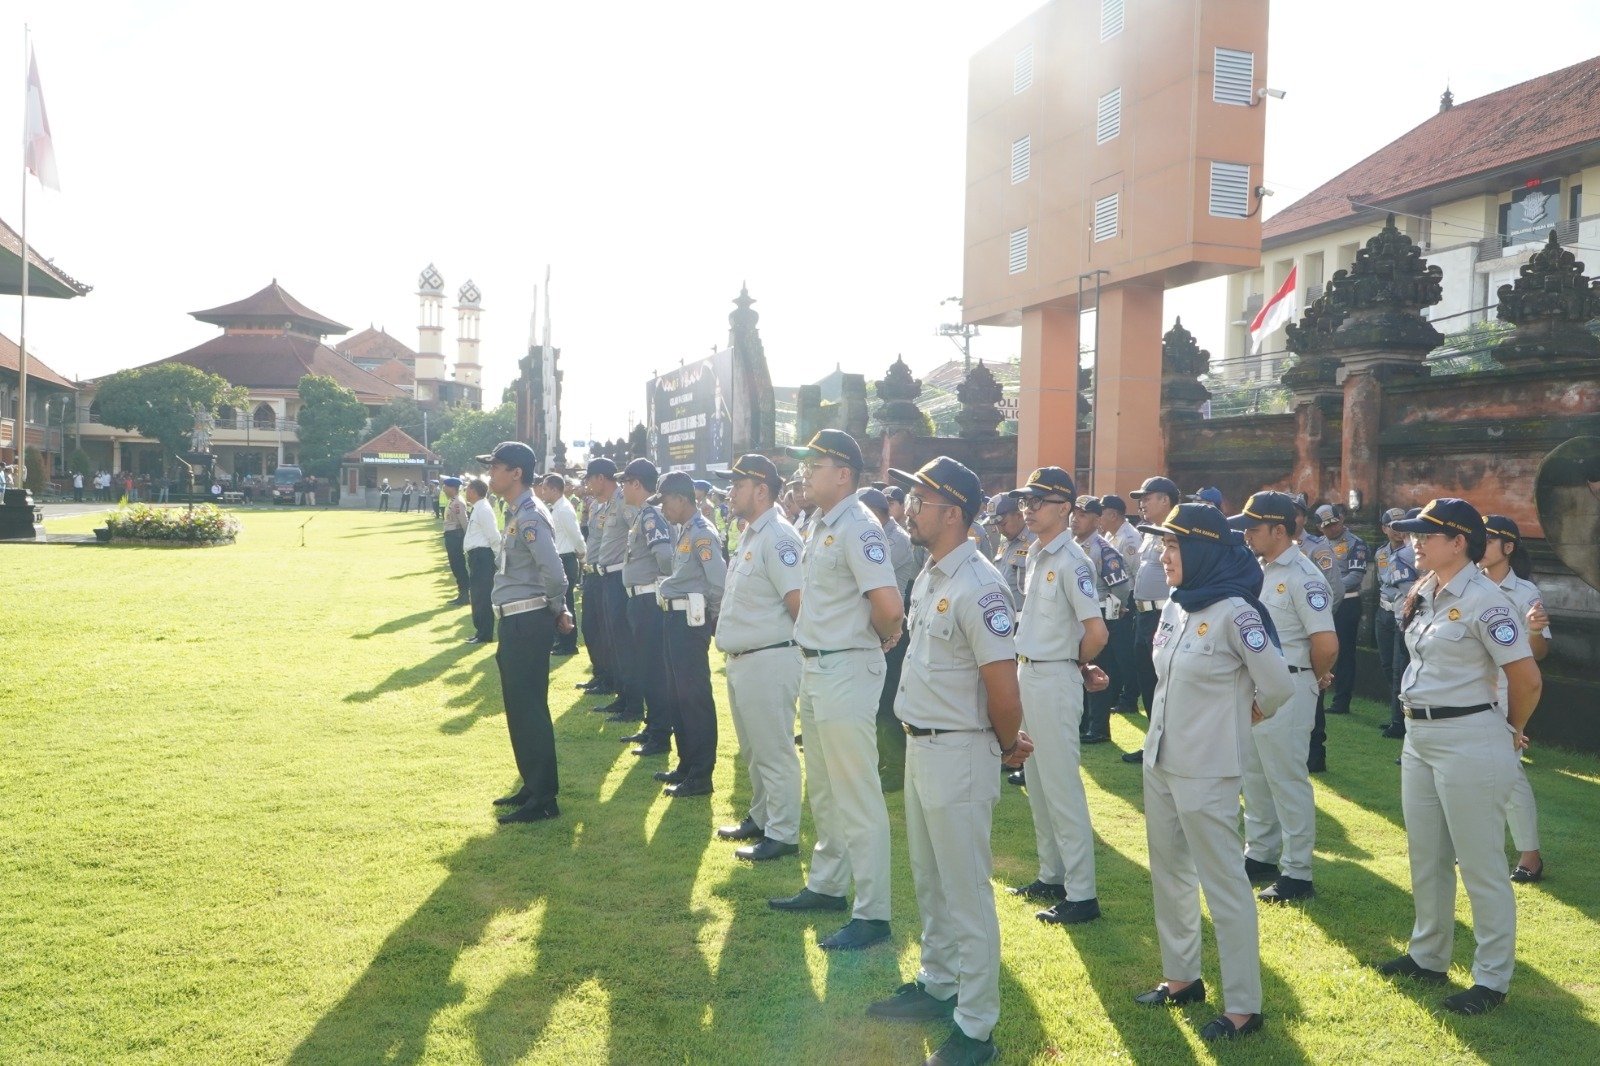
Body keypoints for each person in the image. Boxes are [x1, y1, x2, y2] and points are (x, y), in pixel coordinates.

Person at [866, 456, 1032, 1066]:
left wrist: (1009, 743)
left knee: (965, 891)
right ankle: (938, 983)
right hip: (922, 742)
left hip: (961, 747)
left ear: (954, 512)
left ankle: (977, 1024)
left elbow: (1002, 684)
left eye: (922, 499)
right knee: (930, 879)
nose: (910, 507)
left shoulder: (980, 584)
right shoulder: (933, 573)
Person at [1132, 502, 1293, 1043]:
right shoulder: (1178, 606)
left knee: (1224, 884)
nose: (1163, 554)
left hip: (1208, 770)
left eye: (1173, 546)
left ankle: (1244, 1006)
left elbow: (1277, 686)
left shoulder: (1236, 612)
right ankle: (1182, 978)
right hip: (1161, 759)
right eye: (1163, 544)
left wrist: (1243, 715)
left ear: (1200, 549)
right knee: (1170, 874)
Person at [1378, 499, 1542, 1015]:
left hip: (1470, 735)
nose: (1416, 542)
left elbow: (1526, 677)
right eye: (1414, 534)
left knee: (1480, 863)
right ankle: (1428, 954)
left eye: (1427, 535)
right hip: (1419, 735)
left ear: (1460, 542)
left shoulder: (1487, 602)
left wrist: (1513, 728)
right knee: (1426, 855)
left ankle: (1491, 979)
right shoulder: (1425, 590)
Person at [769, 429, 905, 952]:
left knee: (856, 794)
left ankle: (873, 913)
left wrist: (877, 637)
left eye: (815, 464)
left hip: (847, 668)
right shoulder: (822, 523)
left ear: (844, 472)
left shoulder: (858, 526)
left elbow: (889, 605)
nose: (805, 472)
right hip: (818, 665)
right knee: (824, 789)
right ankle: (827, 884)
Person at [1004, 467, 1109, 925]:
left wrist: (1076, 663)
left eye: (1038, 501)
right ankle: (1052, 874)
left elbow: (1096, 631)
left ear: (1065, 508)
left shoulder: (1072, 561)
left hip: (1053, 677)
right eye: (1026, 500)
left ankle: (1082, 894)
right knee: (1037, 783)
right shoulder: (1040, 554)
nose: (1028, 508)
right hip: (1030, 674)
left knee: (1061, 786)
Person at [1228, 492, 1337, 904]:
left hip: (1290, 684)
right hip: (1259, 683)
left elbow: (1325, 641)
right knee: (1254, 773)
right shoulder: (1262, 568)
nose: (1247, 535)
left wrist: (1315, 675)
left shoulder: (1303, 575)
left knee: (1287, 778)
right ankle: (1261, 852)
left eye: (1254, 528)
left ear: (1279, 529)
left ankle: (1297, 871)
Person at [475, 441, 574, 825]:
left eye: (496, 466)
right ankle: (533, 785)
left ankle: (544, 797)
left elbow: (554, 571)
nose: (490, 473)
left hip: (526, 619)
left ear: (516, 473)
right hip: (516, 619)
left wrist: (559, 607)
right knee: (519, 707)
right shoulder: (518, 512)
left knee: (529, 707)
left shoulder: (530, 516)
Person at [1481, 514, 1551, 884]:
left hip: (1508, 690)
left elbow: (1537, 653)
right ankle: (1479, 848)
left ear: (1508, 548)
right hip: (1470, 687)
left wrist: (1536, 630)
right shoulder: (1466, 583)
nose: (1481, 546)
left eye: (1489, 540)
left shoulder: (1525, 593)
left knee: (1509, 772)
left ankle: (1530, 855)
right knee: (1472, 771)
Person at [653, 471, 727, 796]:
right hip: (675, 618)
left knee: (693, 696)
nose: (663, 508)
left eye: (666, 501)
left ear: (682, 499)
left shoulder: (701, 533)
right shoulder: (684, 531)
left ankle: (700, 774)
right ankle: (686, 764)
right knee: (676, 693)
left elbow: (719, 583)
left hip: (690, 621)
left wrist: (711, 618)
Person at [615, 459, 676, 747]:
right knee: (646, 665)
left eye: (624, 482)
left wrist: (663, 586)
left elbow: (665, 557)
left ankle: (660, 732)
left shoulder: (651, 515)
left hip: (649, 599)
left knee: (653, 668)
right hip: (640, 599)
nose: (622, 488)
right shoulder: (644, 514)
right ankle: (653, 726)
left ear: (636, 483)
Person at [1121, 476, 1179, 764]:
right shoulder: (1148, 533)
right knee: (1147, 682)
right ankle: (1153, 743)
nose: (1141, 503)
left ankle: (1171, 745)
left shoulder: (1177, 531)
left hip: (1163, 615)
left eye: (1147, 497)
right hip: (1143, 615)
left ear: (1166, 500)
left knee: (1163, 682)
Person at [861, 487, 916, 791]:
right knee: (874, 699)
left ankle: (895, 767)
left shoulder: (896, 540)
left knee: (888, 701)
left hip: (893, 626)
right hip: (875, 625)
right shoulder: (875, 534)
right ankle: (882, 761)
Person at [1072, 495, 1127, 745]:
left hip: (1099, 617)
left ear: (1097, 519)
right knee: (1079, 671)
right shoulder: (1072, 546)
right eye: (1074, 514)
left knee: (1098, 672)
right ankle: (1084, 723)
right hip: (1077, 619)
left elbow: (1121, 587)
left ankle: (1099, 728)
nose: (1075, 519)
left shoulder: (1104, 550)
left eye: (1083, 515)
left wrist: (1110, 616)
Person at [592, 458, 642, 719]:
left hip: (621, 577)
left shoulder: (624, 502)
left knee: (624, 642)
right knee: (613, 641)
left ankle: (633, 705)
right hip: (607, 577)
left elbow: (638, 533)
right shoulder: (611, 504)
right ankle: (623, 697)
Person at [1316, 504, 1367, 715]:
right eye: (1326, 526)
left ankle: (1341, 701)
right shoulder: (1318, 545)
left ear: (1342, 519)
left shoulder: (1356, 544)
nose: (1332, 529)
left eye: (1335, 524)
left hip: (1347, 602)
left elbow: (1356, 575)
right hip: (1323, 604)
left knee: (1345, 653)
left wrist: (1330, 589)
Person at [577, 464, 617, 696]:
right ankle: (600, 674)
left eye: (589, 479)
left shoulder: (622, 504)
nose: (587, 485)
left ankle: (611, 680)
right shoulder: (595, 505)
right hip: (592, 573)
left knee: (606, 630)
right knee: (591, 628)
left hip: (608, 575)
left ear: (601, 478)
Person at [1100, 494, 1141, 714]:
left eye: (1102, 512)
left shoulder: (1129, 538)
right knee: (1114, 651)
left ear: (1113, 514)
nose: (1099, 517)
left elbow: (1134, 574)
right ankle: (1115, 694)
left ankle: (1130, 698)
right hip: (1113, 600)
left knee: (1125, 652)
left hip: (1127, 600)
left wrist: (1126, 603)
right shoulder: (1110, 535)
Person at [540, 474, 585, 655]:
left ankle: (569, 644)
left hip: (566, 558)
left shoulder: (564, 509)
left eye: (545, 489)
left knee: (566, 601)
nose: (543, 492)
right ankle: (561, 640)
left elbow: (576, 535)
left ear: (554, 489)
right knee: (557, 601)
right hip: (559, 558)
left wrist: (582, 555)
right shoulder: (557, 508)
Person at [1373, 508, 1409, 736]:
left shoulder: (1412, 553)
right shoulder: (1380, 554)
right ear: (1384, 529)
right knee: (1387, 665)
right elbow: (1381, 582)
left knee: (1399, 669)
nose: (1398, 530)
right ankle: (1395, 713)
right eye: (1393, 526)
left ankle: (1399, 722)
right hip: (1383, 611)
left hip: (1401, 614)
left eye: (1402, 525)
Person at [462, 477, 500, 644]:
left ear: (474, 491)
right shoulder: (478, 508)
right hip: (477, 556)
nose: (466, 492)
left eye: (468, 489)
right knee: (477, 595)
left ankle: (485, 634)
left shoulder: (483, 509)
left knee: (482, 595)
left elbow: (493, 536)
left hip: (483, 557)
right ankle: (480, 632)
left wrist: (498, 558)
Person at [992, 494, 1031, 608]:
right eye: (996, 526)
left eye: (1003, 524)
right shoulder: (1005, 542)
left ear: (1019, 515)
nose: (1000, 530)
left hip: (1023, 617)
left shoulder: (1036, 542)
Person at [440, 477, 470, 606]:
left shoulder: (458, 502)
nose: (444, 489)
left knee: (458, 565)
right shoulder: (452, 501)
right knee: (455, 565)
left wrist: (467, 540)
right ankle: (462, 593)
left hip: (456, 536)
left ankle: (464, 595)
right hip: (451, 535)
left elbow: (464, 522)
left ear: (452, 488)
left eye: (445, 486)